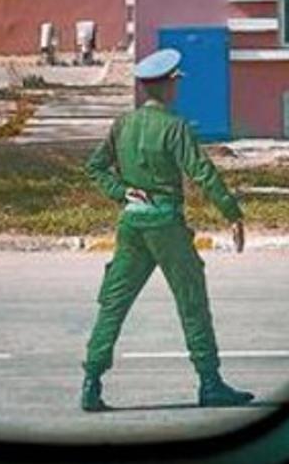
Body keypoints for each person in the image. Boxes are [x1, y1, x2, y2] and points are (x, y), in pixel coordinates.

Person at [80, 47, 255, 411]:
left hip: (132, 223)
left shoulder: (123, 124)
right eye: (175, 83)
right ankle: (210, 382)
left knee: (113, 303)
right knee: (192, 301)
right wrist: (232, 213)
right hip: (166, 225)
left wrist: (120, 191)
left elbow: (95, 167)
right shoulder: (174, 127)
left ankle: (91, 382)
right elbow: (202, 173)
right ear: (168, 86)